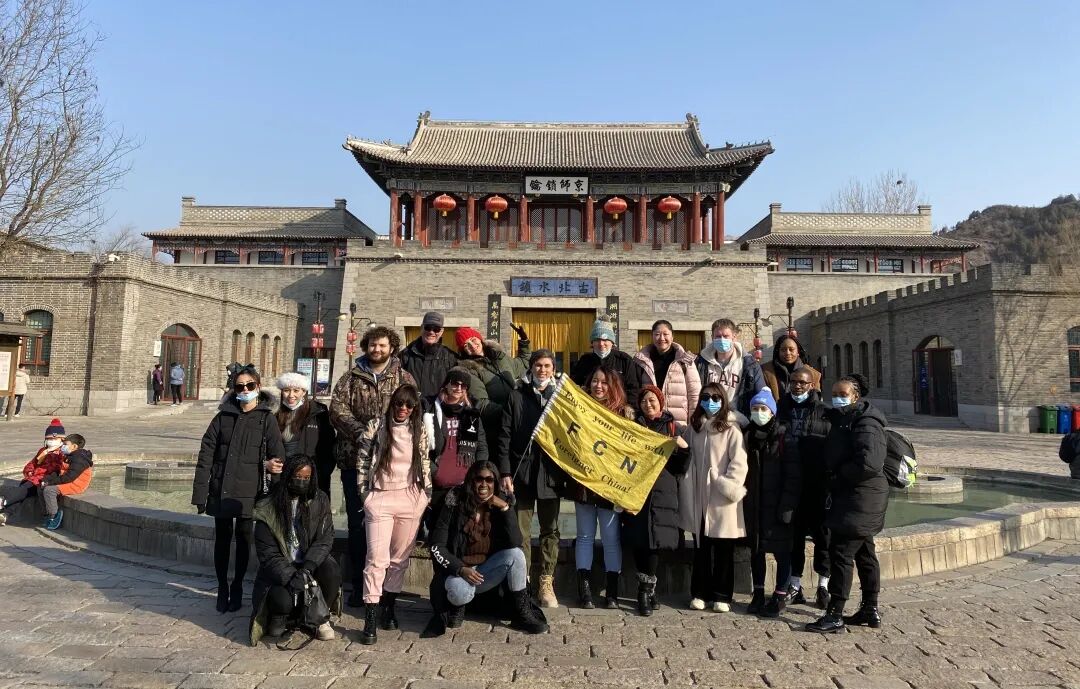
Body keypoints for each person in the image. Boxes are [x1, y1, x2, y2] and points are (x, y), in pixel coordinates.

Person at [329, 325, 416, 607]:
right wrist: (363, 433)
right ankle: (359, 585)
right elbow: (337, 409)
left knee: (390, 528)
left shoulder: (403, 377)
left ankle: (386, 590)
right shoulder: (351, 377)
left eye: (382, 345)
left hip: (392, 467)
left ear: (392, 348)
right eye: (372, 345)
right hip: (355, 461)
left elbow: (412, 410)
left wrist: (388, 435)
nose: (377, 350)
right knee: (358, 524)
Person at [193, 367, 285, 614]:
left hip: (249, 491)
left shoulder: (266, 419)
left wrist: (272, 483)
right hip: (221, 488)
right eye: (239, 386)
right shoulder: (222, 417)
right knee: (222, 539)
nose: (245, 390)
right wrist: (200, 494)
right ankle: (222, 587)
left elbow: (278, 457)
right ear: (233, 390)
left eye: (249, 385)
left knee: (244, 539)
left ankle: (237, 586)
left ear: (258, 386)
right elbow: (205, 457)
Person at [426, 461, 549, 636]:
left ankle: (522, 613)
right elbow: (437, 546)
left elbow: (515, 541)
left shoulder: (500, 503)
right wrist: (460, 569)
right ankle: (458, 608)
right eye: (479, 479)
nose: (484, 484)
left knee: (517, 554)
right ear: (471, 481)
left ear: (495, 482)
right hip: (459, 573)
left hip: (486, 572)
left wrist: (505, 508)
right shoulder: (453, 503)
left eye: (489, 480)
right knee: (459, 591)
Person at [807, 373, 888, 634]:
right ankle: (870, 609)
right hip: (853, 495)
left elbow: (869, 462)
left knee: (841, 552)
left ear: (856, 396)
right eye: (834, 394)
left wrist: (838, 476)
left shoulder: (867, 422)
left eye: (843, 394)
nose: (837, 399)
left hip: (862, 496)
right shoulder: (846, 419)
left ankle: (835, 613)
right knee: (865, 552)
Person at [355, 383, 432, 645]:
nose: (403, 409)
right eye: (399, 403)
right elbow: (363, 459)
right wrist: (365, 494)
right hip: (380, 496)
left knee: (399, 559)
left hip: (411, 497)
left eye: (409, 405)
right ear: (393, 403)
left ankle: (389, 606)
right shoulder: (376, 425)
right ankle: (370, 615)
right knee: (376, 559)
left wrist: (425, 495)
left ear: (414, 408)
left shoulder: (419, 429)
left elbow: (424, 461)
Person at [498, 349, 565, 608]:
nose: (542, 370)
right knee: (521, 532)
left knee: (550, 530)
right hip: (522, 473)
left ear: (553, 369)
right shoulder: (516, 395)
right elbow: (504, 436)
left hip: (550, 474)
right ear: (531, 367)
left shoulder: (561, 397)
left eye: (547, 366)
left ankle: (546, 582)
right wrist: (505, 472)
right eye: (538, 365)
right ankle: (522, 582)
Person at [249, 456, 339, 644]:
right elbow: (268, 554)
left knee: (330, 568)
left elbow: (325, 538)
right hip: (282, 568)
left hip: (308, 565)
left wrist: (307, 567)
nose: (302, 482)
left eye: (307, 478)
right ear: (288, 476)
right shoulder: (267, 505)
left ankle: (320, 616)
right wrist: (291, 576)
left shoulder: (320, 499)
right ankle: (281, 616)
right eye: (298, 477)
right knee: (282, 603)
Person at [567, 367, 634, 610]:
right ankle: (584, 590)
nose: (598, 386)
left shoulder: (623, 414)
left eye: (604, 382)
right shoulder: (580, 408)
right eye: (595, 381)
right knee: (584, 536)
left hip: (610, 484)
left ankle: (612, 592)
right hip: (584, 482)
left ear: (612, 386)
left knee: (610, 538)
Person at [679, 382, 748, 613]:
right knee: (701, 548)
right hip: (698, 496)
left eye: (716, 398)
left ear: (723, 400)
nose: (711, 402)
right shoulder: (695, 428)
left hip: (721, 498)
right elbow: (686, 454)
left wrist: (725, 484)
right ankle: (700, 592)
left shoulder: (731, 429)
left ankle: (722, 595)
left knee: (723, 549)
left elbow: (739, 463)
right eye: (706, 397)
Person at [623, 385, 690, 616]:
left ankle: (645, 590)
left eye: (652, 400)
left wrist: (683, 449)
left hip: (663, 491)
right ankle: (648, 591)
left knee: (655, 541)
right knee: (638, 538)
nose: (648, 404)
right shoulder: (634, 426)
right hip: (638, 491)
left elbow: (681, 467)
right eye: (644, 401)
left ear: (660, 402)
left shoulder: (673, 427)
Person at [743, 389, 801, 618]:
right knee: (756, 551)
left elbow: (793, 477)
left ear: (772, 412)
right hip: (755, 504)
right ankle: (758, 592)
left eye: (763, 409)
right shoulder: (748, 435)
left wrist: (787, 507)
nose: (759, 413)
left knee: (782, 551)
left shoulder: (784, 436)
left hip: (777, 505)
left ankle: (779, 595)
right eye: (755, 409)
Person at [782, 368, 833, 609]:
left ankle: (824, 584)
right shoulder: (782, 408)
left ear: (812, 385)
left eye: (802, 383)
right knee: (795, 537)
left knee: (823, 536)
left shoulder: (824, 412)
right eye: (794, 382)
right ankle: (795, 584)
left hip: (818, 483)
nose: (797, 386)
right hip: (791, 482)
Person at [424, 368, 488, 528]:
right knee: (437, 531)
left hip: (465, 485)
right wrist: (435, 472)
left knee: (461, 531)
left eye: (463, 385)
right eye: (455, 383)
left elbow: (481, 446)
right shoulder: (430, 409)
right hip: (438, 485)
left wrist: (477, 474)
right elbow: (421, 447)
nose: (459, 388)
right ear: (446, 384)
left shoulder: (472, 413)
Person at [456, 324, 530, 448]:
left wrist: (524, 341)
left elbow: (523, 363)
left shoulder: (501, 358)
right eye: (466, 345)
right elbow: (482, 404)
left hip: (518, 425)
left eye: (473, 340)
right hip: (497, 431)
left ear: (480, 339)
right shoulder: (469, 370)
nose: (472, 346)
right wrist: (511, 413)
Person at [274, 372, 336, 500]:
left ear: (304, 392)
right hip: (284, 476)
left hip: (312, 478)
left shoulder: (318, 412)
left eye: (296, 390)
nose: (291, 395)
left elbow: (329, 446)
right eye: (286, 390)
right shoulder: (275, 414)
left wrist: (321, 473)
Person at [695, 318, 767, 423]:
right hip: (707, 419)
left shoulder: (749, 365)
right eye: (718, 336)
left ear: (734, 337)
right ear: (712, 337)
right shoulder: (701, 363)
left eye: (726, 336)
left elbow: (760, 394)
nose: (722, 340)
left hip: (737, 420)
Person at [0, 418, 67, 526]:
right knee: (24, 492)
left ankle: (4, 503)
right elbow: (31, 464)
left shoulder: (62, 453)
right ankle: (5, 515)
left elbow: (60, 469)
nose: (52, 441)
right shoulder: (42, 451)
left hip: (45, 481)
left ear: (62, 439)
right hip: (33, 479)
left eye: (55, 438)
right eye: (49, 438)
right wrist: (30, 471)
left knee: (24, 491)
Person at [634, 319, 701, 424]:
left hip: (677, 424)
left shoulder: (685, 361)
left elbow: (695, 395)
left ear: (672, 336)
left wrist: (694, 422)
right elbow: (635, 392)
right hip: (649, 422)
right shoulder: (641, 361)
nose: (661, 338)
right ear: (652, 336)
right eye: (657, 334)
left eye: (665, 334)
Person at [570, 318, 643, 407]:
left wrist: (629, 409)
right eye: (597, 340)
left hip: (617, 410)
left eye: (605, 340)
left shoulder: (624, 360)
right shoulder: (584, 361)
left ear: (612, 342)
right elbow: (574, 386)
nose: (601, 344)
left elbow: (633, 389)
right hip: (590, 409)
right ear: (592, 343)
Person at [40, 433, 94, 531]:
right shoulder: (70, 455)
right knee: (40, 487)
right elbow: (61, 472)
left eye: (65, 444)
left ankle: (54, 516)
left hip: (77, 484)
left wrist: (50, 483)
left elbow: (69, 477)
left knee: (49, 490)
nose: (63, 446)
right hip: (69, 480)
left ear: (74, 446)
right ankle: (46, 514)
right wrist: (47, 479)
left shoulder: (80, 459)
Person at [761, 334, 822, 402]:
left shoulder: (813, 374)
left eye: (791, 349)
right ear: (778, 352)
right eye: (783, 350)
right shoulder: (765, 371)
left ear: (798, 352)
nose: (787, 353)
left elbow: (815, 401)